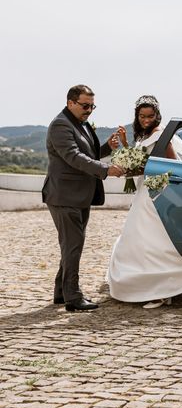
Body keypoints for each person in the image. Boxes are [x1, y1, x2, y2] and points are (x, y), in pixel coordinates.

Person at [106, 95, 182, 308]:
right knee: (140, 238)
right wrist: (125, 145)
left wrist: (145, 167)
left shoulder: (161, 134)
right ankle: (152, 286)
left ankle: (160, 290)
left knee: (150, 238)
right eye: (142, 116)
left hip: (156, 189)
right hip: (146, 189)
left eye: (150, 116)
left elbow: (172, 164)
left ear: (157, 115)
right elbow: (139, 158)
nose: (146, 120)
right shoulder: (145, 134)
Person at [43, 84, 124, 311]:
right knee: (73, 245)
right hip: (64, 196)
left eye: (92, 106)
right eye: (85, 105)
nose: (89, 110)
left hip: (80, 196)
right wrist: (106, 169)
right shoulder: (61, 124)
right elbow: (73, 156)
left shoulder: (81, 124)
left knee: (71, 245)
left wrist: (108, 147)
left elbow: (88, 154)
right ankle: (73, 297)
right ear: (71, 103)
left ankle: (61, 292)